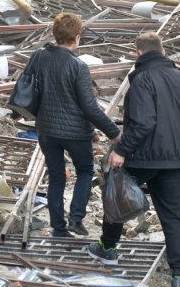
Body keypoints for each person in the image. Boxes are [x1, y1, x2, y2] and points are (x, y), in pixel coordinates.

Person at [88, 33, 180, 287]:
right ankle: (179, 276)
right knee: (172, 215)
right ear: (162, 51)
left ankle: (109, 248)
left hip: (146, 156)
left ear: (138, 53)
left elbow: (144, 123)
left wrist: (121, 151)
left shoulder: (141, 80)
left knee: (116, 195)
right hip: (176, 158)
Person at [36, 13, 121, 238]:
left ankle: (58, 228)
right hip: (75, 132)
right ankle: (75, 218)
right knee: (84, 171)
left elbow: (33, 93)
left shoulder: (40, 57)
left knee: (56, 177)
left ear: (55, 35)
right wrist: (113, 133)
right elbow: (90, 107)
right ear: (77, 37)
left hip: (46, 130)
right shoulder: (78, 66)